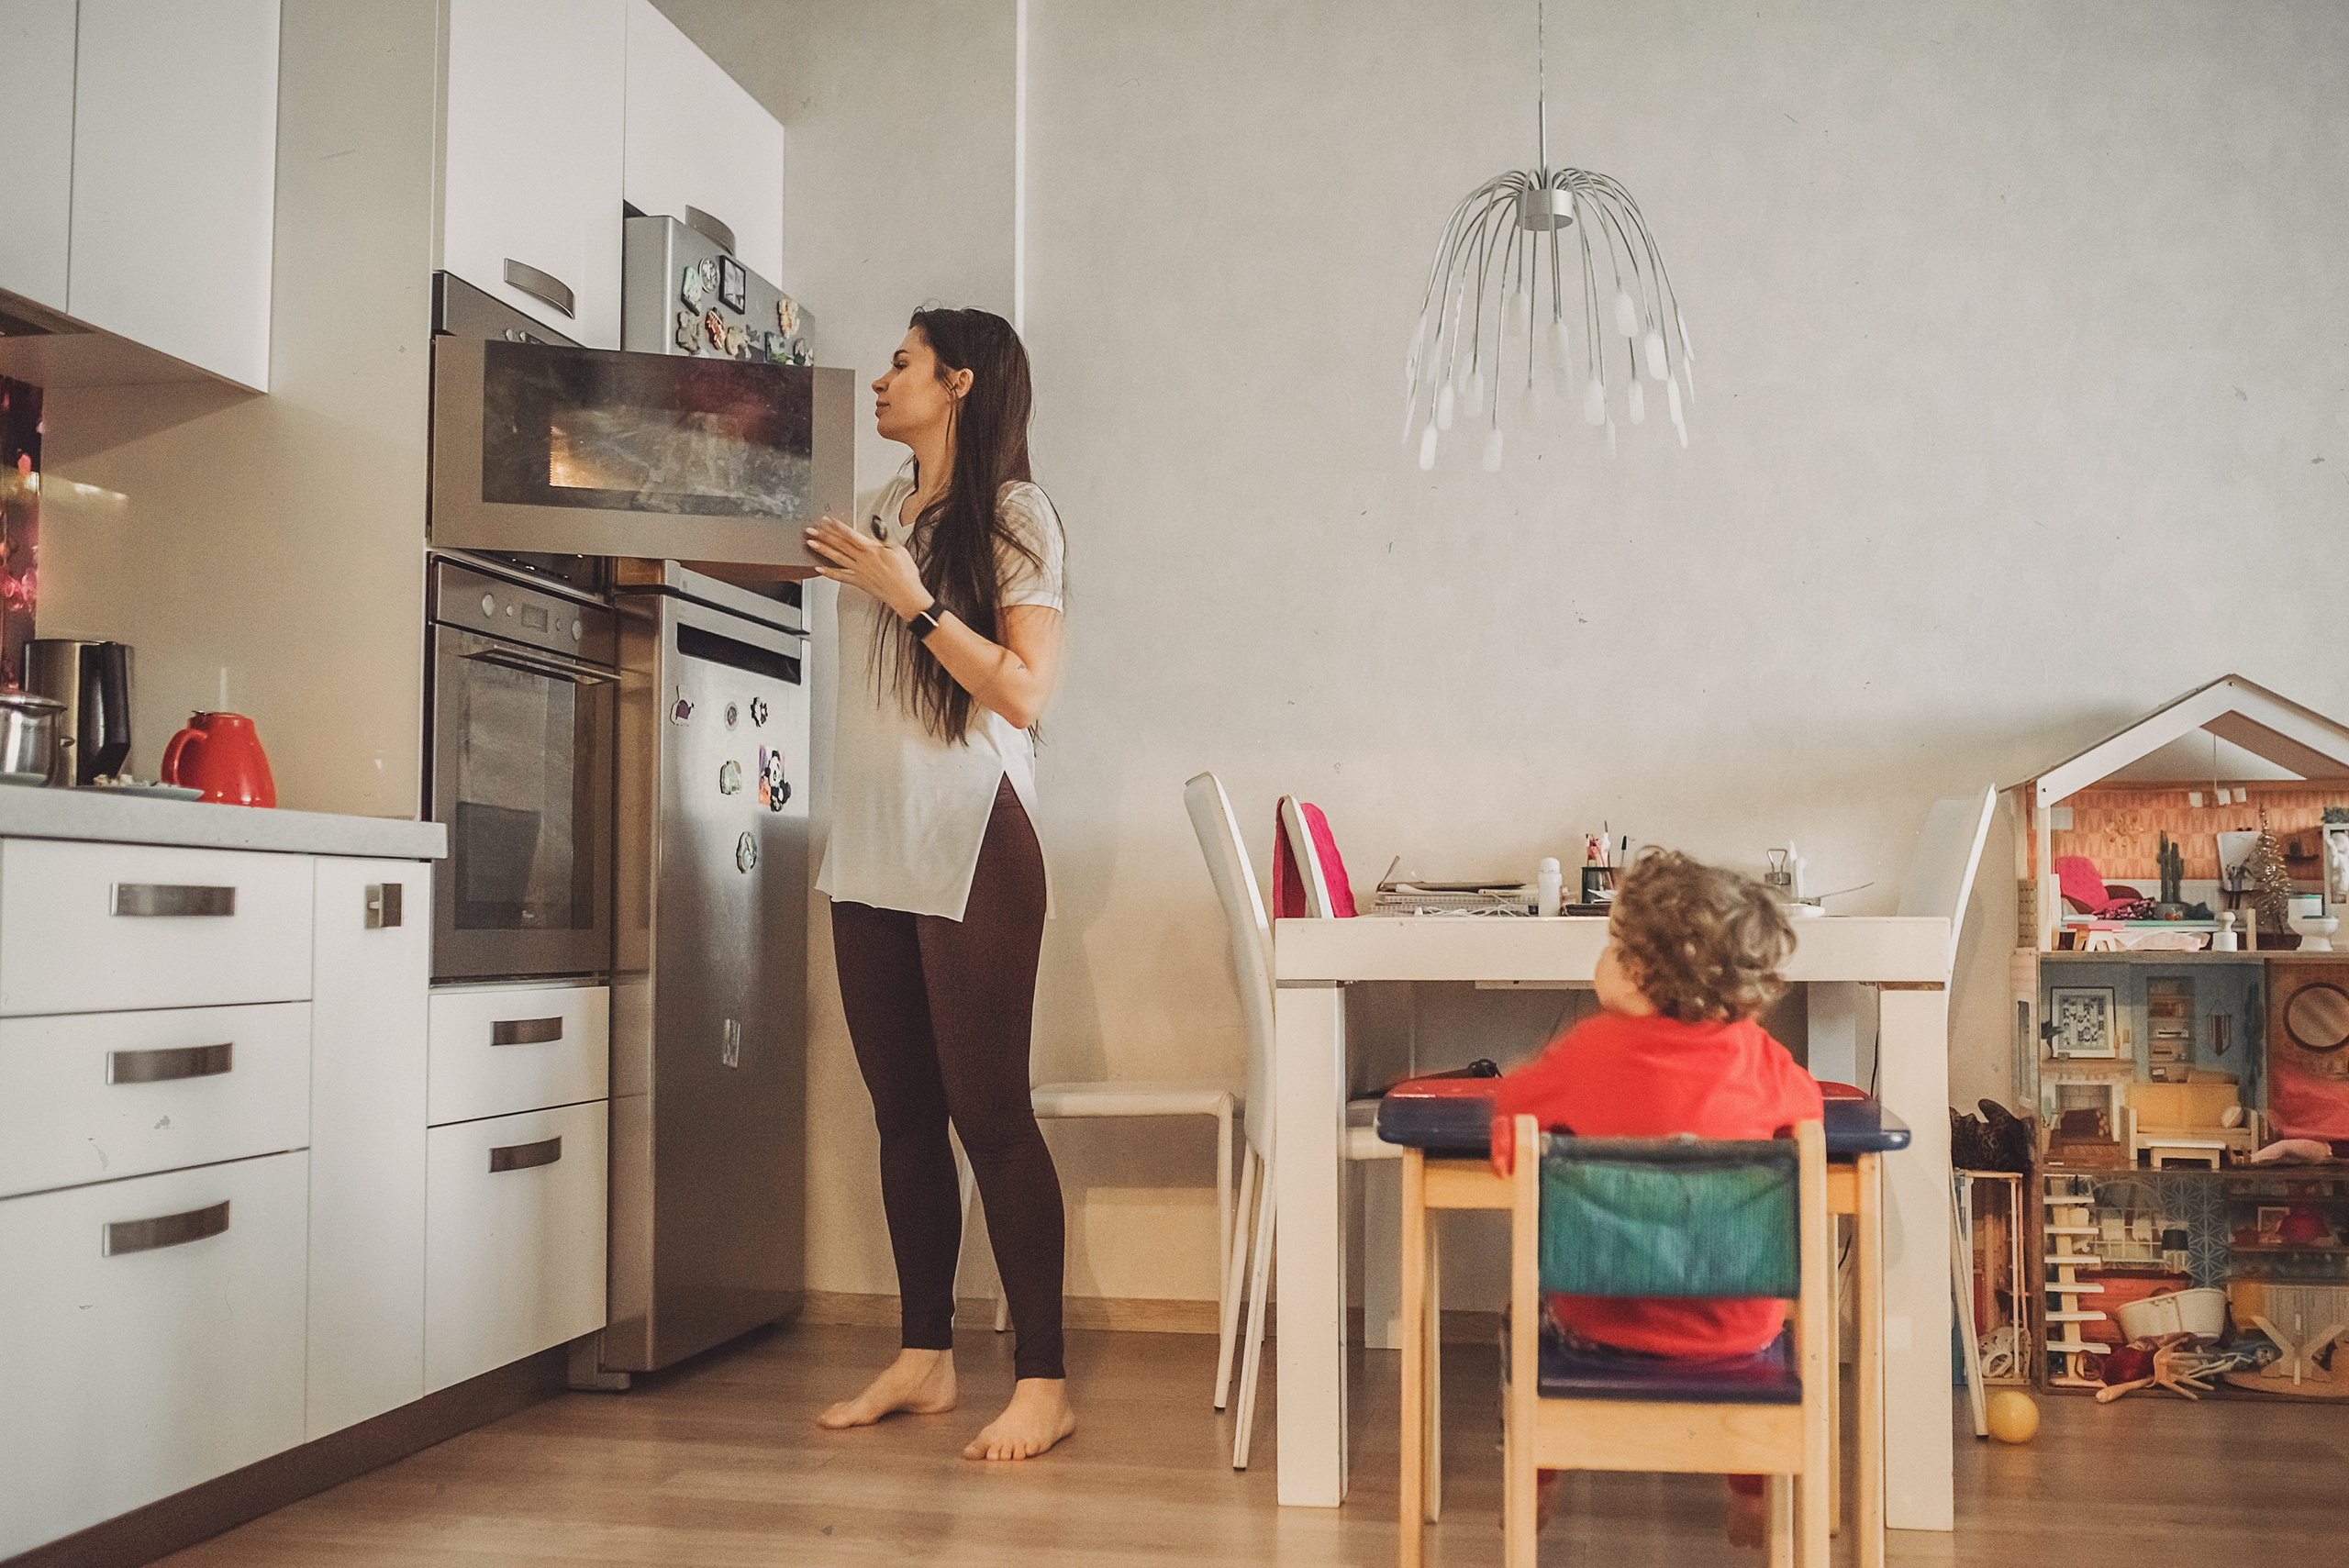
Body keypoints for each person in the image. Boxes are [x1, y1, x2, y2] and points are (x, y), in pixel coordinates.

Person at [801, 306, 1074, 1462]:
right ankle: (924, 1353)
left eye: (902, 362)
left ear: (957, 381)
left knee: (990, 1116)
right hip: (869, 844)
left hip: (970, 839)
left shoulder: (1014, 514)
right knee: (903, 1114)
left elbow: (1023, 694)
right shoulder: (876, 511)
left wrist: (911, 596)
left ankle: (1046, 1381)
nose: (880, 378)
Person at [1489, 849, 1821, 1549]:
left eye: (1613, 942)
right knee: (1773, 1317)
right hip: (1741, 1333)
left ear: (1638, 972)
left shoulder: (1585, 1051)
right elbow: (1808, 1112)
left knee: (1518, 1314)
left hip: (1600, 1329)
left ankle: (1537, 1469)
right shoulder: (1763, 1058)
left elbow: (1513, 1114)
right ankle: (1754, 1487)